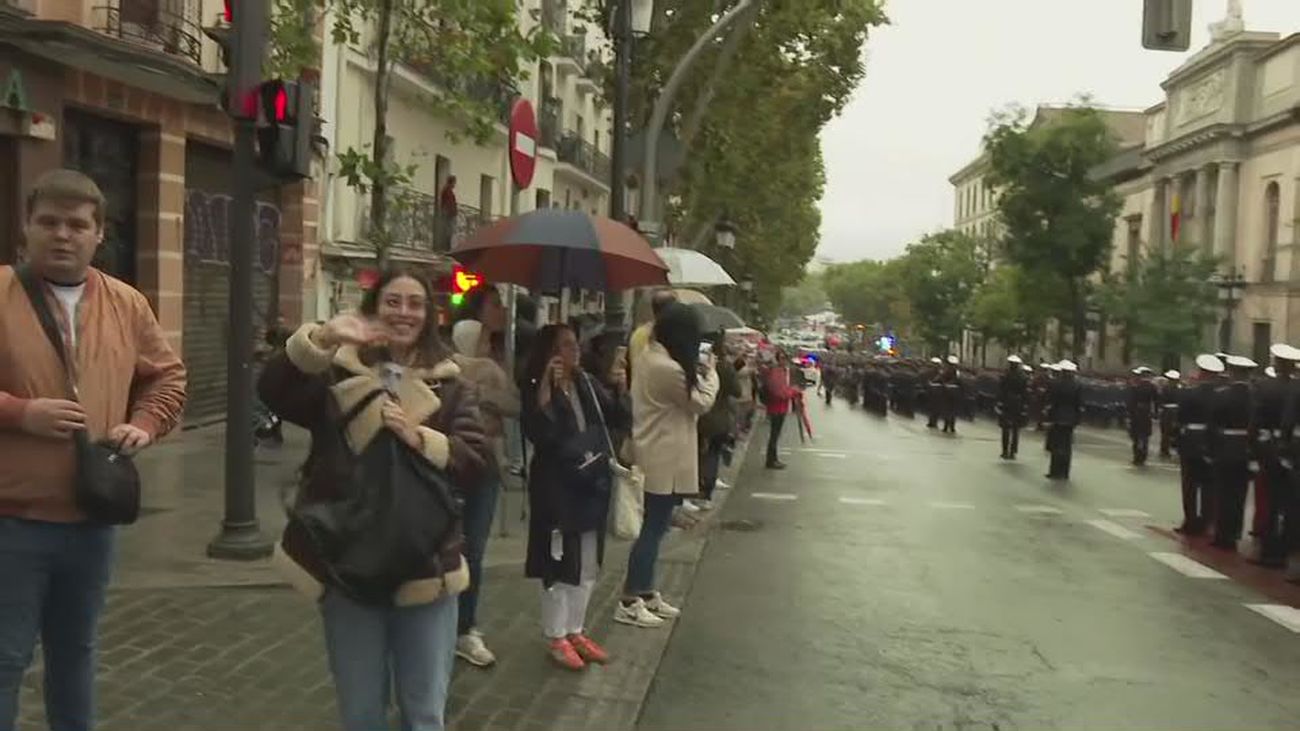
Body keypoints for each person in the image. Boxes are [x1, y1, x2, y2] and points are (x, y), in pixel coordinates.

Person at [259, 268, 489, 731]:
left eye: (415, 303)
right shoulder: (335, 373)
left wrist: (420, 435)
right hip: (348, 559)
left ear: (429, 316)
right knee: (361, 713)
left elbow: (478, 460)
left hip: (426, 564)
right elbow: (274, 390)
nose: (403, 312)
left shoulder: (453, 385)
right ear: (374, 307)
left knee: (424, 713)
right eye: (393, 301)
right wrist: (322, 337)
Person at [0, 169, 188, 731]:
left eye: (77, 225)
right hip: (12, 520)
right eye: (49, 222)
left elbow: (168, 377)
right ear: (26, 227)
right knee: (5, 659)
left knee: (75, 655)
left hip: (92, 518)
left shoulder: (127, 302)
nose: (63, 235)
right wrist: (19, 413)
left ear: (99, 233)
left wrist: (145, 424)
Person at [521, 324, 628, 670]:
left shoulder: (585, 382)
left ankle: (576, 629)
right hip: (556, 485)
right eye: (566, 345)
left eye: (575, 344)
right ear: (550, 352)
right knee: (557, 561)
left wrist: (621, 384)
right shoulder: (538, 385)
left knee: (587, 560)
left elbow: (618, 416)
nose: (575, 351)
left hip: (590, 480)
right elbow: (541, 433)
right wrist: (547, 393)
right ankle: (556, 635)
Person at [618, 303, 718, 628]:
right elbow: (700, 402)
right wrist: (711, 374)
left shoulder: (651, 357)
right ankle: (630, 597)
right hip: (662, 454)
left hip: (658, 450)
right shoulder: (668, 368)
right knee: (652, 529)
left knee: (658, 526)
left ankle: (646, 591)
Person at [449, 319, 520, 668]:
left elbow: (513, 405)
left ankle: (466, 626)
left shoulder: (495, 367)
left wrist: (485, 394)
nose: (486, 342)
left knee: (474, 551)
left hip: (487, 467)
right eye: (481, 337)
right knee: (448, 547)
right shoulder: (447, 365)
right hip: (450, 465)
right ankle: (443, 623)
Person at [1250, 344, 1299, 566]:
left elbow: (1257, 418)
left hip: (1273, 446)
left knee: (1270, 499)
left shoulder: (1265, 387)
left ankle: (1269, 550)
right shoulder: (1296, 387)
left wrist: (1254, 447)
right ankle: (1286, 548)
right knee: (1291, 504)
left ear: (1277, 363)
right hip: (1294, 450)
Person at [1208, 355, 1257, 551]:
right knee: (1239, 494)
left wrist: (1212, 449)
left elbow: (1213, 424)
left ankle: (1222, 534)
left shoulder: (1222, 395)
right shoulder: (1256, 395)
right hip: (1246, 448)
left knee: (1222, 493)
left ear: (1232, 372)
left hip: (1225, 447)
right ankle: (1235, 533)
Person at [695, 334, 740, 510]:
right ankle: (706, 493)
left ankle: (695, 490)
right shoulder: (726, 367)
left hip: (702, 417)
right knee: (713, 454)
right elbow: (736, 391)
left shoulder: (698, 364)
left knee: (700, 454)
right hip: (719, 416)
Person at [760, 348, 797, 469]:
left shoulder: (781, 371)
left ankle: (773, 459)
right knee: (774, 434)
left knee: (776, 434)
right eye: (781, 358)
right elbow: (779, 391)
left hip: (781, 406)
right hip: (776, 406)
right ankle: (771, 460)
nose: (784, 360)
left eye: (785, 358)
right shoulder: (776, 372)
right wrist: (792, 392)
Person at [1045, 361, 1082, 480]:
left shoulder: (1056, 384)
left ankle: (1054, 471)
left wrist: (1049, 417)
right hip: (1071, 418)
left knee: (1056, 445)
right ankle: (1065, 472)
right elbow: (1079, 403)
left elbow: (1052, 401)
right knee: (1067, 446)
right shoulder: (1077, 385)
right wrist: (1077, 418)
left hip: (1058, 416)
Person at [996, 356, 1028, 459]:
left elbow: (1001, 390)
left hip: (1007, 403)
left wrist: (999, 402)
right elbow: (1025, 392)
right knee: (1015, 429)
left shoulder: (1006, 375)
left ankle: (1005, 450)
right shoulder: (1023, 376)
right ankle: (1013, 451)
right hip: (1018, 404)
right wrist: (1025, 405)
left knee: (1006, 428)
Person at [1126, 367, 1158, 466]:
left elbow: (1131, 401)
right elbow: (1156, 400)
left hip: (1136, 413)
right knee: (1145, 436)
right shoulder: (1152, 387)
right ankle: (1143, 456)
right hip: (1146, 413)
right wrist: (1155, 413)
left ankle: (1137, 457)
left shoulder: (1135, 386)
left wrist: (1129, 414)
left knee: (1136, 436)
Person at [1158, 370, 1182, 460]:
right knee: (1166, 432)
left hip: (1172, 411)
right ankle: (1164, 450)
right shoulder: (1167, 389)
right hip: (1168, 412)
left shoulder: (1174, 389)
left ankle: (1168, 449)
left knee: (1173, 432)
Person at [438, 175, 458, 251]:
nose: (455, 185)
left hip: (450, 213)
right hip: (448, 214)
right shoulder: (446, 190)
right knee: (447, 231)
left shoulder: (448, 190)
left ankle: (447, 248)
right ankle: (445, 248)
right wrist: (446, 211)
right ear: (451, 182)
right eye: (454, 183)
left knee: (449, 231)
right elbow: (446, 203)